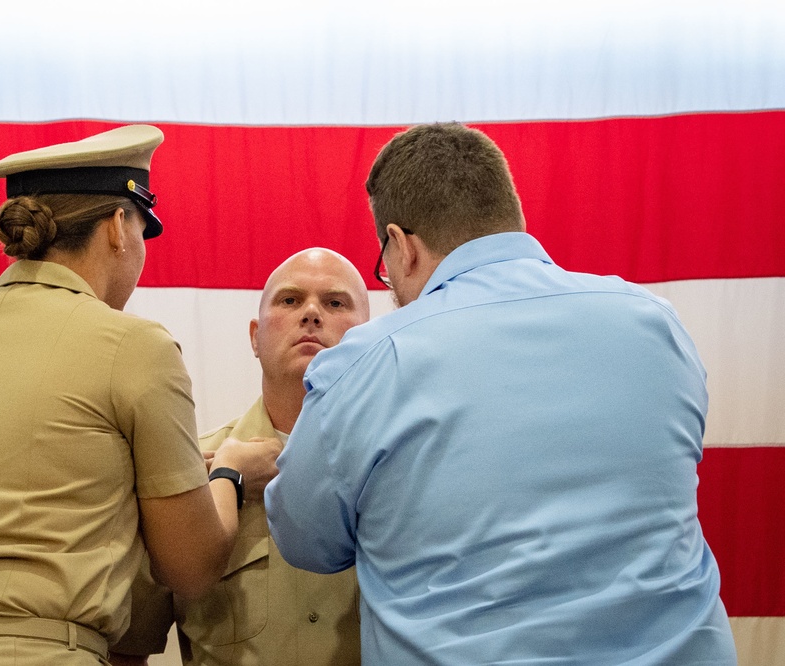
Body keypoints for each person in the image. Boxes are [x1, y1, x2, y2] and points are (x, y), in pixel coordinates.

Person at [266, 123, 738, 665]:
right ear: (508, 216)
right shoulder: (656, 323)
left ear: (401, 245)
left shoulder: (368, 362)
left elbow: (307, 542)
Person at [0, 125, 279, 665]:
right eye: (143, 232)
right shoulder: (133, 345)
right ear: (118, 228)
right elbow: (190, 567)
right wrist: (229, 474)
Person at [174, 247, 369, 666]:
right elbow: (129, 649)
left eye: (335, 303)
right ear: (254, 337)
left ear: (369, 338)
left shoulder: (406, 470)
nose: (312, 314)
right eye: (290, 300)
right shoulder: (186, 470)